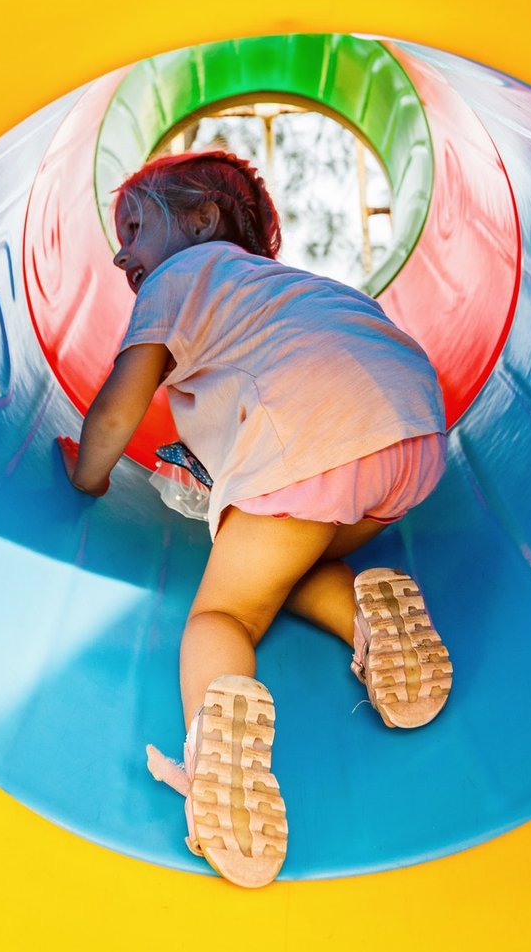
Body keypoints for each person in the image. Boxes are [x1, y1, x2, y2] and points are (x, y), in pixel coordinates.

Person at [55, 150, 452, 889]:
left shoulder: (180, 279)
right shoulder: (294, 290)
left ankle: (219, 748)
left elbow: (118, 405)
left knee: (226, 613)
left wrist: (86, 474)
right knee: (284, 558)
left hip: (307, 441)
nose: (120, 252)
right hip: (413, 432)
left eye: (135, 225)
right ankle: (368, 619)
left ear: (203, 221)